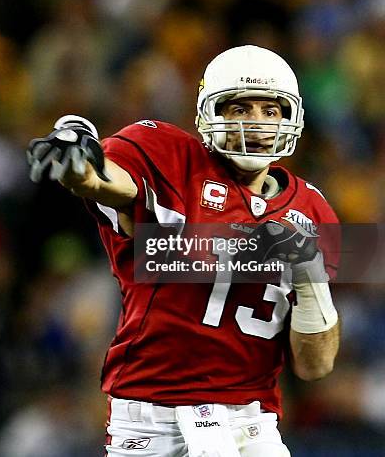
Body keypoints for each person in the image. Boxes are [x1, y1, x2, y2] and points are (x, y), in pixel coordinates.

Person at [27, 45, 340, 457]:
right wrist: (79, 164)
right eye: (239, 108)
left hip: (251, 424)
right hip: (154, 418)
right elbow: (109, 180)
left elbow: (315, 366)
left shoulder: (314, 210)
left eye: (270, 110)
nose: (258, 123)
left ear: (291, 117)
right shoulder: (171, 155)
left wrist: (309, 276)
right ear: (210, 113)